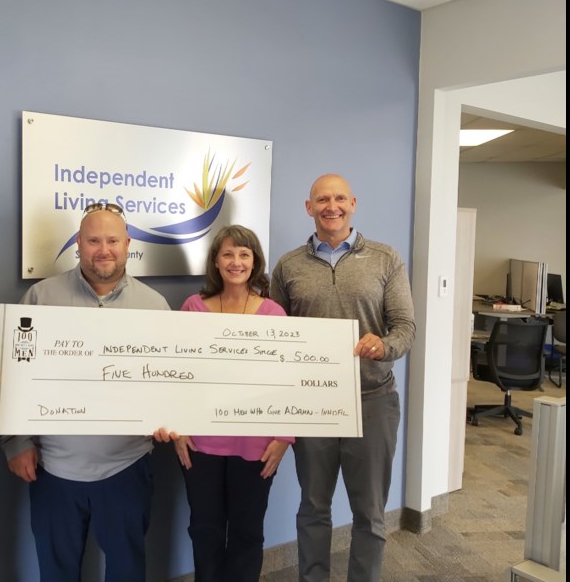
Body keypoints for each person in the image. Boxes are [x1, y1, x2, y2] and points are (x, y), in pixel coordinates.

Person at [0, 201, 171, 582]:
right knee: (57, 572)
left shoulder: (155, 306)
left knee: (127, 570)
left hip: (126, 467)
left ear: (128, 244)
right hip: (53, 469)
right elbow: (14, 374)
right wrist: (15, 441)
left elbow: (166, 384)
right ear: (78, 243)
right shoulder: (41, 298)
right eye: (93, 240)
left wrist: (169, 419)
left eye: (112, 240)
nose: (103, 250)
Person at [269, 173, 415, 582]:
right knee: (313, 507)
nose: (330, 206)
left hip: (372, 401)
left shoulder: (386, 259)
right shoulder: (289, 265)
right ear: (308, 207)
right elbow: (276, 334)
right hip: (313, 405)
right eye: (321, 199)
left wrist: (382, 346)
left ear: (353, 203)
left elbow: (405, 327)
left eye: (338, 199)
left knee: (369, 512)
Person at [171, 224, 294, 582]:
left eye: (244, 254)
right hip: (201, 444)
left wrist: (285, 436)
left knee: (247, 532)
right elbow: (176, 375)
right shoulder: (193, 309)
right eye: (227, 253)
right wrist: (177, 429)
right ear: (216, 261)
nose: (236, 261)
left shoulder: (273, 313)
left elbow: (288, 381)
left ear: (255, 262)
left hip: (256, 444)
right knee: (205, 530)